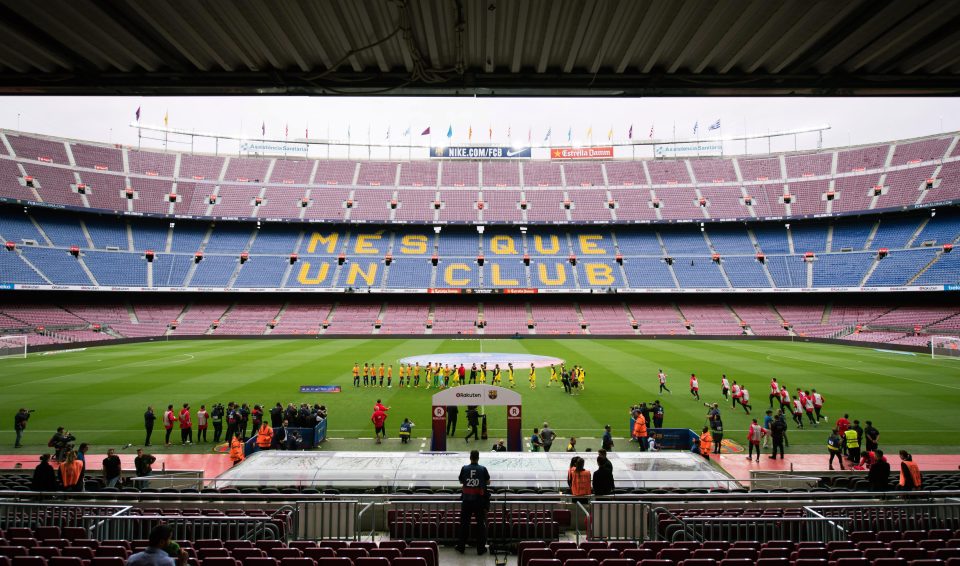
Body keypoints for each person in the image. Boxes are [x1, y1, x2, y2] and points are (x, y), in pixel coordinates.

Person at [456, 450, 490, 556]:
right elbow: (488, 482)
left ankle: (461, 547)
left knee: (464, 525)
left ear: (470, 458)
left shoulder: (464, 468)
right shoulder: (483, 469)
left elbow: (461, 481)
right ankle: (480, 549)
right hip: (479, 502)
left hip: (466, 501)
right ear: (478, 458)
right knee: (480, 525)